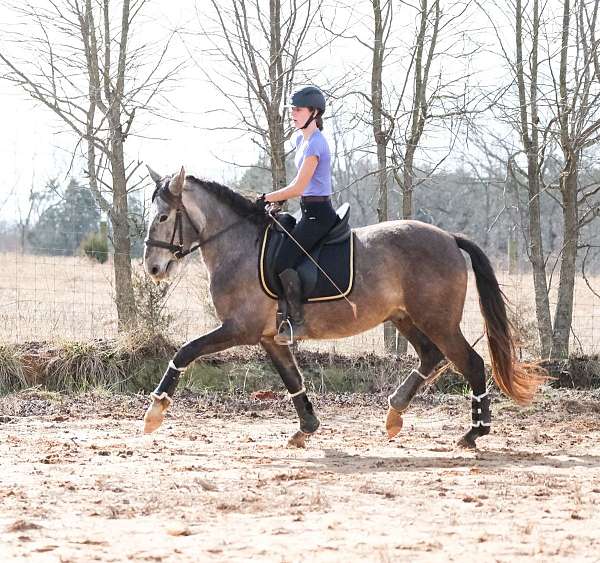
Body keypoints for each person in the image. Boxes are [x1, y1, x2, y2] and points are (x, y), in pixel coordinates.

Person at [258, 86, 337, 345]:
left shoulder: (316, 144)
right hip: (306, 210)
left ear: (314, 113)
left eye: (298, 109)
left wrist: (267, 197)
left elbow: (299, 187)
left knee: (282, 261)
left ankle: (297, 322)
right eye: (292, 109)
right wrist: (279, 201)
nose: (293, 114)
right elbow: (296, 181)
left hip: (319, 215)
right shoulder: (300, 140)